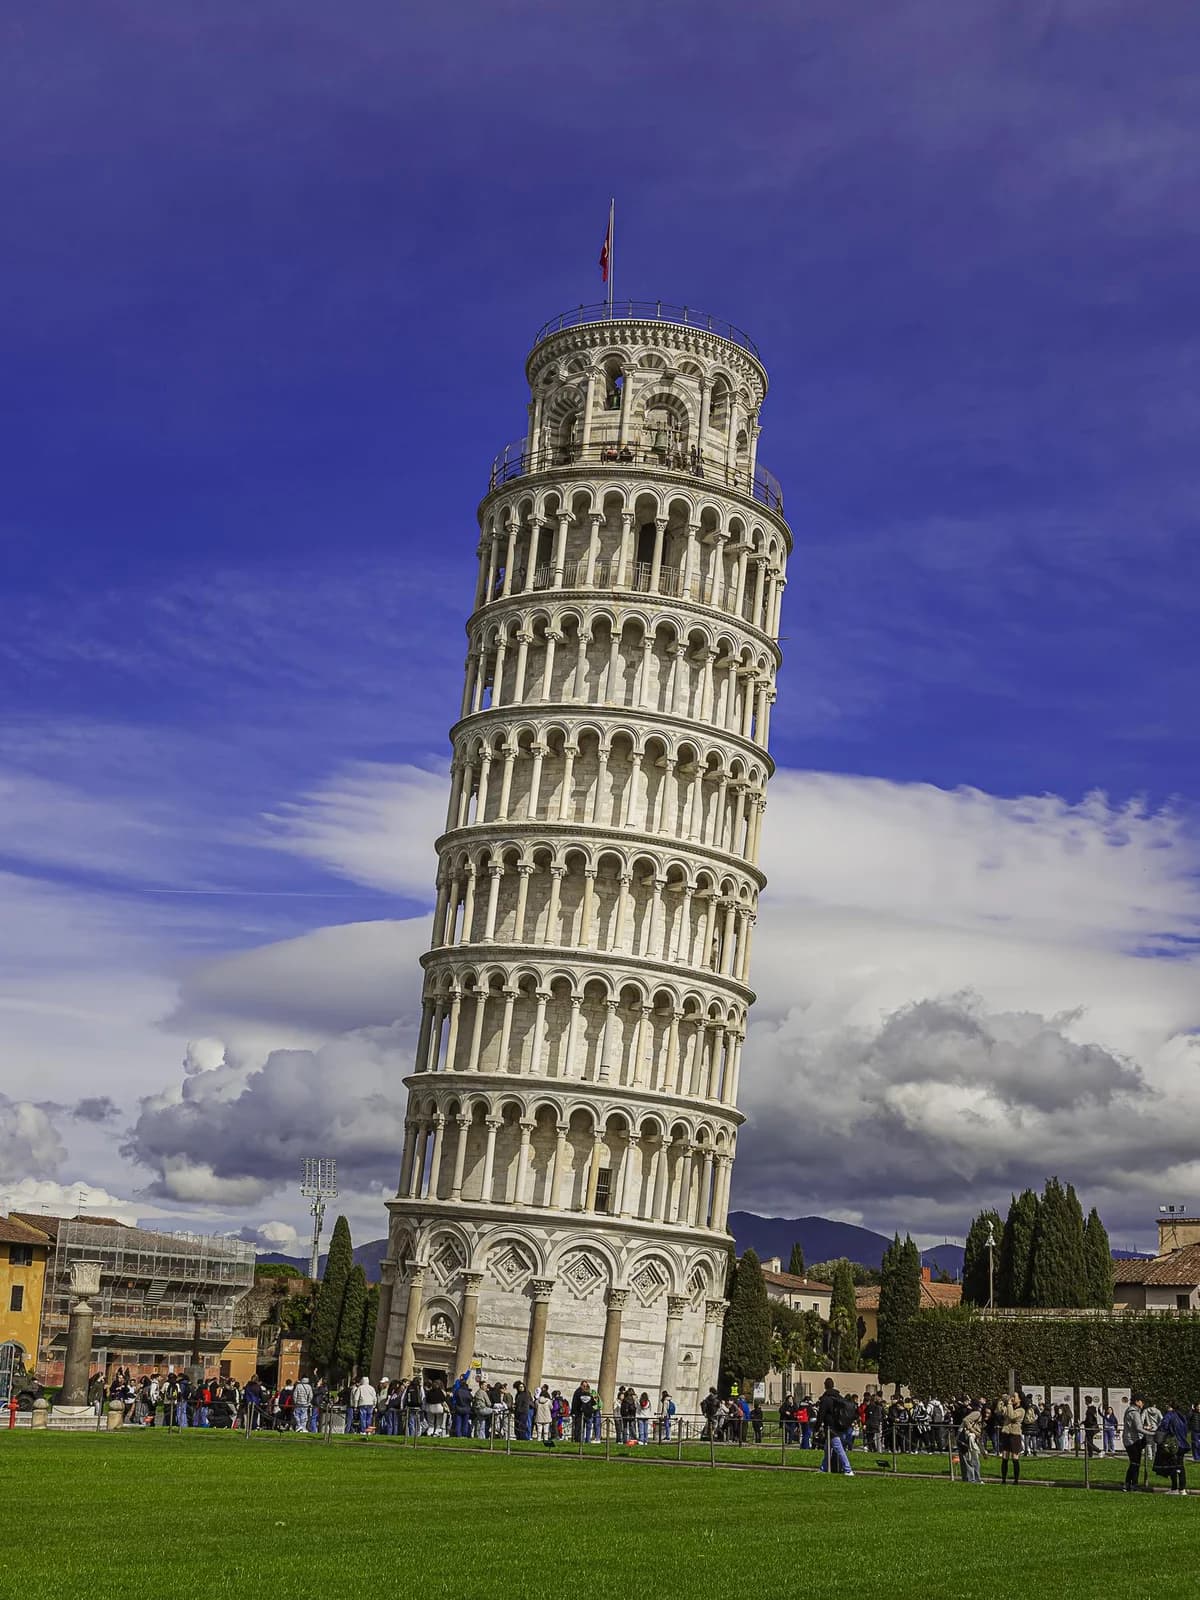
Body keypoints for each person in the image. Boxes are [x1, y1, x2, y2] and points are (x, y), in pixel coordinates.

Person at [815, 1378, 855, 1477]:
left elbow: (821, 1415)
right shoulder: (839, 1398)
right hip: (840, 1426)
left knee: (838, 1449)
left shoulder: (825, 1399)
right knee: (827, 1449)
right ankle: (824, 1468)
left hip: (830, 1428)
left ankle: (848, 1469)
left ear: (825, 1386)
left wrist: (816, 1428)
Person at [1155, 1401, 1189, 1494]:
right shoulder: (1182, 1416)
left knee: (1172, 1466)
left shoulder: (1169, 1415)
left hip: (1172, 1444)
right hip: (1182, 1444)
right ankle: (1182, 1489)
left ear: (1170, 1407)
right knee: (1181, 1466)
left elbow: (1163, 1426)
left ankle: (1174, 1488)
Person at [996, 1392, 1024, 1484]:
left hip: (1015, 1434)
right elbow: (1000, 1411)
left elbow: (1011, 1416)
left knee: (1015, 1457)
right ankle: (1003, 1479)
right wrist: (1001, 1401)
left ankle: (1016, 1480)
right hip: (1006, 1433)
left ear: (1020, 1399)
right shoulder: (1009, 1406)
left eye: (1014, 1397)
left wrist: (1009, 1404)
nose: (1012, 1398)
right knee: (1005, 1456)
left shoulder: (1021, 1410)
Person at [1122, 1394, 1146, 1491]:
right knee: (1135, 1463)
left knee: (1133, 1463)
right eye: (1141, 1401)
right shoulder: (1135, 1413)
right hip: (1133, 1440)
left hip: (1129, 1439)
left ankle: (1128, 1483)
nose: (1143, 1403)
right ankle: (1133, 1484)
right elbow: (1139, 1428)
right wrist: (1151, 1433)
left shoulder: (1129, 1411)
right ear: (1137, 1402)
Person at [958, 1402, 983, 1483]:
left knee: (969, 1460)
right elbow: (965, 1420)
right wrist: (974, 1431)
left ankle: (969, 1478)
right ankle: (973, 1479)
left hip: (964, 1439)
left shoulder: (972, 1413)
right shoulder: (977, 1413)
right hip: (967, 1439)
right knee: (972, 1460)